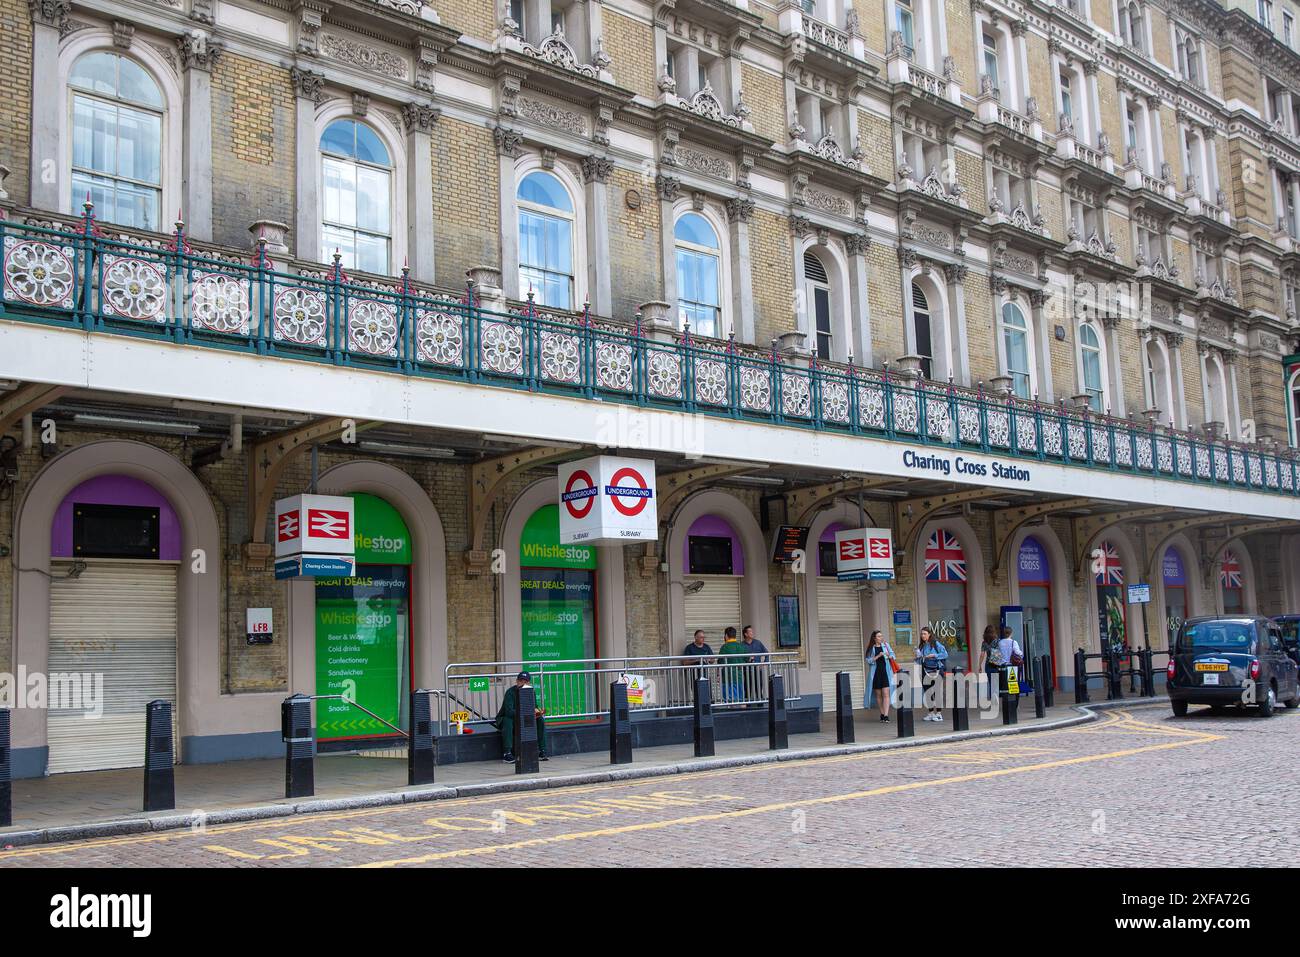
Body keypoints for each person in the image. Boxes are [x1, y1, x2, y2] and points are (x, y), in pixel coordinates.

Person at [496, 671, 547, 762]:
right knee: (508, 721)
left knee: (540, 720)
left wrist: (538, 712)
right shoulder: (510, 692)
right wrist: (525, 713)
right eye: (521, 681)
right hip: (509, 718)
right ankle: (507, 753)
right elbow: (509, 712)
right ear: (517, 681)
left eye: (525, 681)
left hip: (524, 718)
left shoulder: (531, 692)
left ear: (529, 683)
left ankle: (541, 750)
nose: (523, 683)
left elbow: (534, 706)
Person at [916, 626, 948, 721]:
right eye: (922, 634)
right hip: (925, 670)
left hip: (936, 670)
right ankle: (930, 713)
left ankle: (939, 714)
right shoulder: (922, 646)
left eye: (925, 634)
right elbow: (919, 661)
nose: (923, 635)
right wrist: (918, 657)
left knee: (937, 691)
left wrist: (934, 655)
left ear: (929, 634)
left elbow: (945, 654)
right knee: (927, 692)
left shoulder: (935, 644)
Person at [864, 629, 897, 721]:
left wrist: (889, 655)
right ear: (874, 638)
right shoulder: (871, 648)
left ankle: (886, 715)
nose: (881, 638)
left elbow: (893, 655)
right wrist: (878, 656)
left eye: (881, 636)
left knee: (886, 694)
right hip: (876, 674)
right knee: (878, 695)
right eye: (879, 636)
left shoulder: (886, 645)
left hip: (885, 673)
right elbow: (868, 661)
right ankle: (882, 713)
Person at [681, 630, 714, 700]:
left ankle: (709, 707)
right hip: (694, 675)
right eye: (701, 637)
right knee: (697, 694)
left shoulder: (706, 647)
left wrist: (708, 660)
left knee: (708, 693)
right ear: (695, 637)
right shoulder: (689, 648)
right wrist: (696, 660)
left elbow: (713, 660)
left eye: (704, 637)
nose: (703, 639)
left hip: (706, 674)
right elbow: (684, 662)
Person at [717, 626, 747, 703]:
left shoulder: (725, 647)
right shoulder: (741, 646)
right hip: (739, 676)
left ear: (726, 636)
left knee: (730, 700)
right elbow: (748, 659)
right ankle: (743, 714)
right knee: (741, 699)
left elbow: (720, 662)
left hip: (728, 678)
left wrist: (718, 675)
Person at [741, 625, 769, 704]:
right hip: (747, 671)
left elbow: (766, 653)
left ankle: (760, 705)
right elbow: (740, 658)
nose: (752, 633)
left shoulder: (758, 643)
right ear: (745, 634)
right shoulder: (742, 645)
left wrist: (763, 664)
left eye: (752, 631)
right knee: (747, 690)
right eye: (750, 631)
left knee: (759, 689)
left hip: (757, 670)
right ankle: (747, 708)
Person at [976, 624, 1003, 693]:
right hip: (996, 664)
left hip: (988, 664)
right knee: (996, 683)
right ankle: (995, 698)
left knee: (991, 683)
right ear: (994, 632)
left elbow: (982, 654)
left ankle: (992, 698)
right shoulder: (998, 641)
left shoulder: (984, 642)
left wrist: (979, 665)